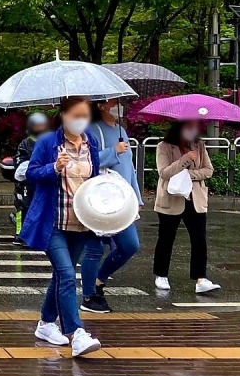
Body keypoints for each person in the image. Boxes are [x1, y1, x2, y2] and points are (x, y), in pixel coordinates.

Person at [19, 96, 103, 357]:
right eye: (76, 115)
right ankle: (76, 333)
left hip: (81, 222)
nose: (81, 120)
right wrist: (54, 168)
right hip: (53, 221)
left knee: (61, 275)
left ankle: (45, 323)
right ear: (64, 115)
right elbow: (29, 174)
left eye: (85, 115)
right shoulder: (47, 143)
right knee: (67, 275)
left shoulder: (92, 143)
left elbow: (95, 177)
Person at [77, 99, 143, 314]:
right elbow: (87, 161)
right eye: (115, 102)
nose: (120, 106)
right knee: (94, 248)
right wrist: (113, 151)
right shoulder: (90, 130)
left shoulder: (122, 130)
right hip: (99, 198)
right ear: (102, 106)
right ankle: (89, 295)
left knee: (129, 245)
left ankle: (99, 279)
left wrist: (136, 199)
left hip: (122, 199)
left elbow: (129, 169)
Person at [153, 120, 220, 294]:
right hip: (172, 198)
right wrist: (185, 159)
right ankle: (161, 274)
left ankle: (201, 278)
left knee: (199, 239)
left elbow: (208, 170)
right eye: (188, 126)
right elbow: (164, 172)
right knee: (166, 238)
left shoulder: (199, 145)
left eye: (194, 127)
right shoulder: (164, 146)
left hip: (195, 198)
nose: (192, 130)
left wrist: (187, 175)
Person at [13, 112, 50, 246]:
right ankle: (20, 234)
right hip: (26, 184)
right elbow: (19, 164)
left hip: (43, 182)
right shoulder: (26, 144)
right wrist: (34, 166)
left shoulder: (49, 142)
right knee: (23, 207)